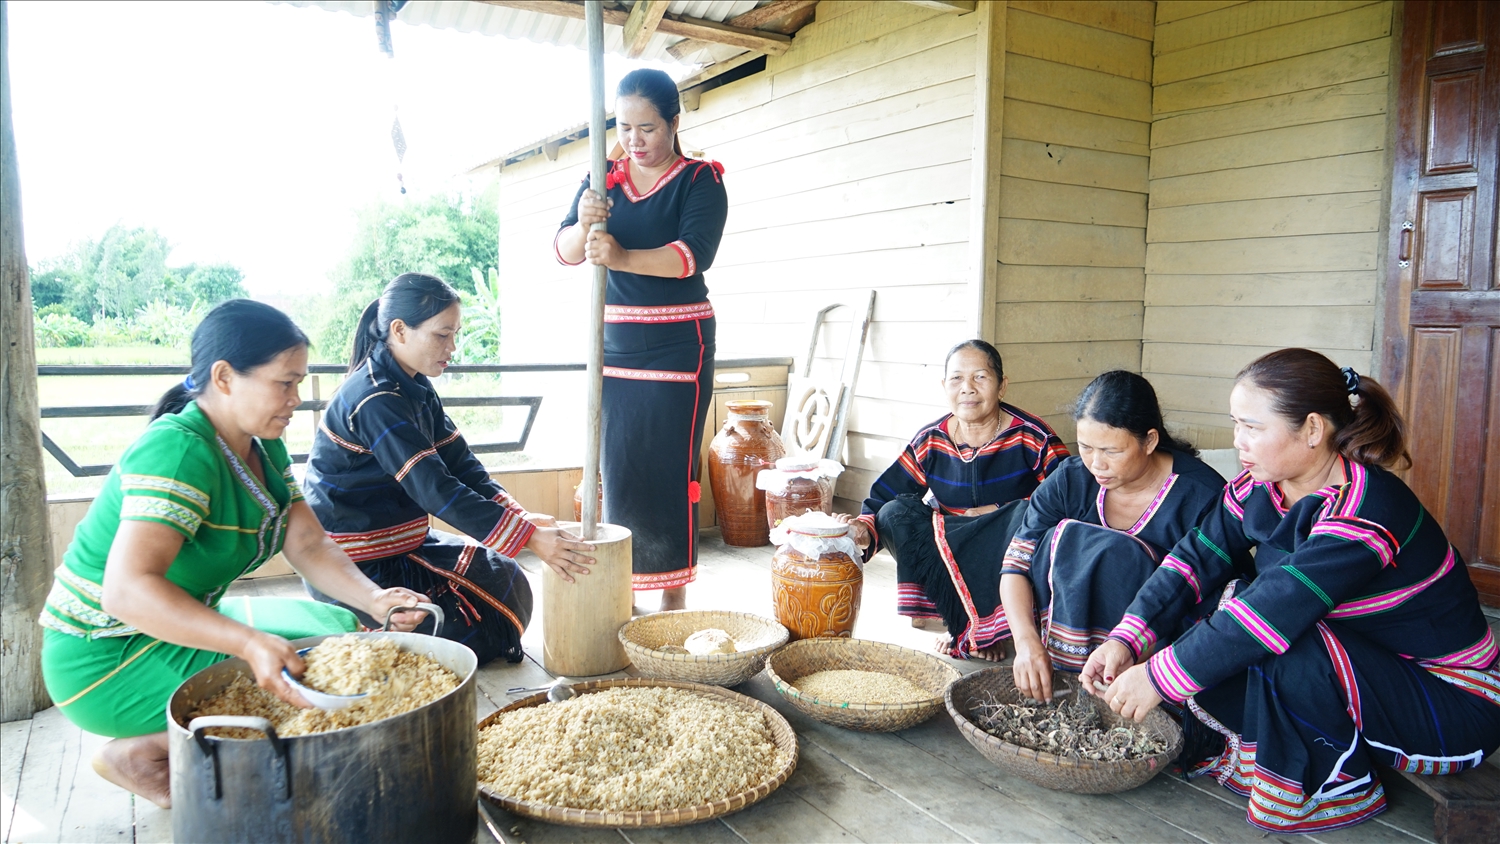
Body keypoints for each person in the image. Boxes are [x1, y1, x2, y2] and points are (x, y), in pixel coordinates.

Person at [1084, 349, 1500, 834]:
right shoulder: (1262, 486)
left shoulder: (1367, 512)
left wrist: (1157, 677)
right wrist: (1126, 639)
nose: (1238, 441)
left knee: (1278, 629)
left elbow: (1273, 611)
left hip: (1451, 702)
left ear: (1313, 430)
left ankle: (1328, 789)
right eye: (1235, 424)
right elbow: (1194, 559)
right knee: (1226, 595)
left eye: (1253, 428)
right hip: (1368, 665)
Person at [38, 300, 429, 809]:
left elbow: (307, 542)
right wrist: (248, 643)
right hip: (108, 654)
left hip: (184, 618)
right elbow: (126, 591)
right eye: (283, 383)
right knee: (301, 681)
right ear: (224, 377)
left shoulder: (261, 445)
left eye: (298, 382)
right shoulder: (178, 451)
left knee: (339, 629)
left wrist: (377, 600)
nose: (295, 399)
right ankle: (144, 753)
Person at [303, 273, 594, 665]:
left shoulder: (414, 385)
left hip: (407, 546)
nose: (452, 347)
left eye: (454, 334)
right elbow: (435, 488)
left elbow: (461, 465)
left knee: (507, 584)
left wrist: (520, 518)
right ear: (400, 330)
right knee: (471, 626)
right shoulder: (374, 397)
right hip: (357, 565)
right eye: (442, 335)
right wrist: (528, 537)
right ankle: (361, 627)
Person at [554, 68, 728, 611]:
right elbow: (564, 251)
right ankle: (623, 595)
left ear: (674, 123)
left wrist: (624, 257)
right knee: (617, 468)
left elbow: (693, 255)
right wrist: (584, 225)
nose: (635, 140)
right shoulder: (601, 177)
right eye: (625, 127)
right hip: (614, 347)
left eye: (648, 128)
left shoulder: (701, 179)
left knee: (669, 470)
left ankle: (671, 601)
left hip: (679, 345)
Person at [1000, 371, 1225, 703]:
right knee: (1058, 537)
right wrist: (1025, 643)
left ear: (1149, 440)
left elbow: (1208, 602)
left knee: (1115, 553)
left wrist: (1147, 667)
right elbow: (1016, 565)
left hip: (1156, 654)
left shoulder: (1200, 496)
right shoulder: (1071, 480)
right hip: (1057, 651)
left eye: (1111, 451)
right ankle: (1067, 673)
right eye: (1086, 447)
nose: (1096, 463)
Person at [842, 339, 1069, 659]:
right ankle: (955, 618)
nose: (968, 388)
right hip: (952, 545)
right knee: (895, 513)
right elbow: (886, 496)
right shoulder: (931, 440)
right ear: (944, 386)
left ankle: (996, 628)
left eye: (980, 377)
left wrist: (1000, 511)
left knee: (1025, 513)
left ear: (1002, 386)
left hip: (1008, 547)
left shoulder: (1032, 435)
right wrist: (863, 528)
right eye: (957, 379)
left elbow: (1069, 494)